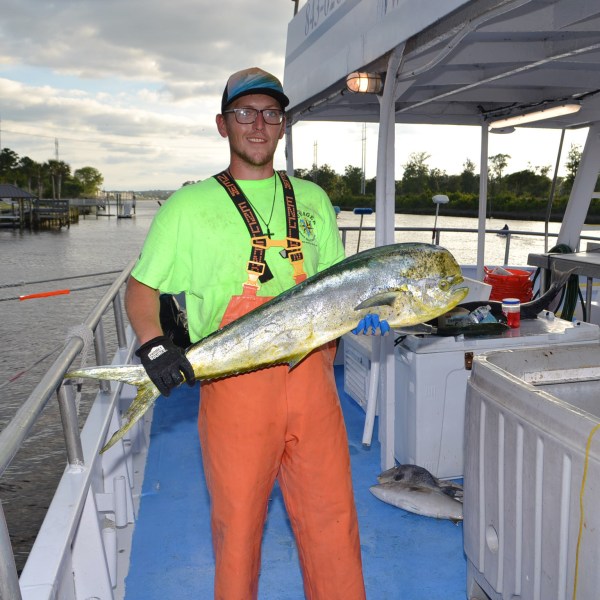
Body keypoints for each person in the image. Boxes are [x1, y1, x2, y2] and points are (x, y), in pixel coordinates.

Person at [125, 67, 386, 600]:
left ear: (283, 124)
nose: (258, 125)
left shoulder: (313, 199)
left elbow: (338, 286)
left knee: (333, 523)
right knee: (238, 532)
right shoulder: (187, 207)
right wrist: (154, 344)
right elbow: (141, 289)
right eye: (244, 113)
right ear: (223, 125)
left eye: (270, 113)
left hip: (314, 387)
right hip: (235, 392)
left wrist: (372, 306)